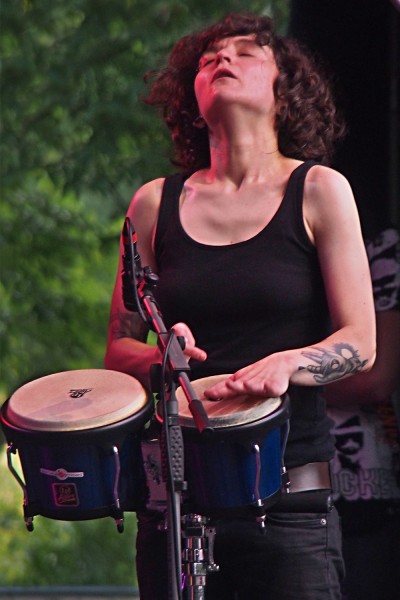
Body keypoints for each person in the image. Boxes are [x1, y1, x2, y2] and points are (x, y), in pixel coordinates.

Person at [105, 12, 376, 600]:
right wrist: (164, 361)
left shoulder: (320, 190)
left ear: (284, 89)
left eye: (245, 53)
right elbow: (119, 348)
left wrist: (289, 363)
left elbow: (361, 341)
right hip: (176, 501)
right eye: (207, 60)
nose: (222, 60)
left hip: (289, 504)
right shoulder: (153, 204)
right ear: (192, 97)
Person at [326, 223, 400, 600]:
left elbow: (377, 378)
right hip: (280, 475)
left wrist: (278, 383)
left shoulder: (378, 243)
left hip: (361, 481)